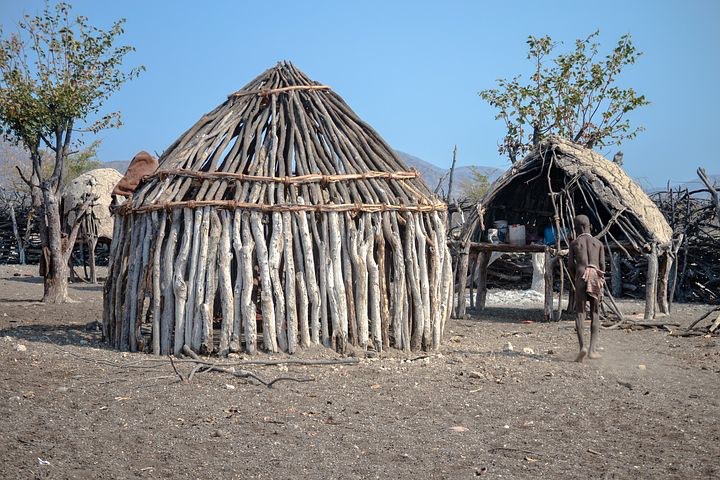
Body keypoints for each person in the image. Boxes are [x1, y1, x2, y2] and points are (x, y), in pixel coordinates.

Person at [567, 214, 605, 362]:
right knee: (595, 312)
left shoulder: (575, 243)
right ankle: (592, 350)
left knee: (580, 313)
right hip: (595, 273)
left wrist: (576, 277)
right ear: (589, 226)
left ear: (578, 228)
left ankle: (582, 347)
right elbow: (602, 265)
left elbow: (571, 265)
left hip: (581, 276)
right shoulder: (598, 243)